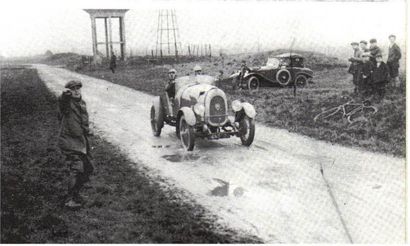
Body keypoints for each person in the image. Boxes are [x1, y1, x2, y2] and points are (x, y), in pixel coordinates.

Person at [58, 80, 94, 209]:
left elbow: (84, 121)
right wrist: (65, 95)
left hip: (80, 140)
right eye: (73, 89)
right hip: (69, 141)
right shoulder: (67, 103)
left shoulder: (82, 103)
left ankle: (75, 194)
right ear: (69, 91)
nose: (76, 91)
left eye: (78, 88)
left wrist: (87, 130)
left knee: (88, 168)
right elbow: (62, 102)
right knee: (77, 167)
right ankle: (69, 200)